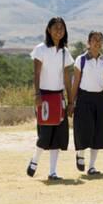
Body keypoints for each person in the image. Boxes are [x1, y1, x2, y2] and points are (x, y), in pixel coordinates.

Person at [26, 17, 74, 180]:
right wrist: (37, 94)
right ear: (48, 29)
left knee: (58, 134)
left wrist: (70, 101)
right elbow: (37, 73)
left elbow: (67, 78)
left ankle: (52, 171)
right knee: (45, 133)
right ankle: (35, 160)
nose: (59, 31)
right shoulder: (41, 49)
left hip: (59, 96)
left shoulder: (65, 52)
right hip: (45, 96)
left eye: (62, 28)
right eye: (56, 28)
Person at [70, 31, 103, 175]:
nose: (98, 42)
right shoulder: (81, 60)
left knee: (99, 132)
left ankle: (92, 167)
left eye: (100, 40)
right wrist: (71, 102)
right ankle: (80, 154)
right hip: (84, 98)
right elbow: (75, 82)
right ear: (88, 42)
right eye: (95, 39)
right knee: (84, 129)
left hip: (99, 98)